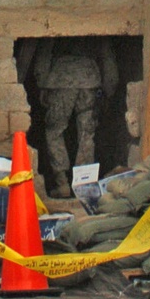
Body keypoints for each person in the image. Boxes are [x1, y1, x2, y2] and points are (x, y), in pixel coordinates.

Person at [31, 36, 119, 197]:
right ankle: (84, 184)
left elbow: (45, 51)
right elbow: (107, 55)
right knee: (87, 134)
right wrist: (109, 88)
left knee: (54, 131)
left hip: (60, 79)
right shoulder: (96, 21)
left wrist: (42, 83)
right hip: (89, 80)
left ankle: (62, 182)